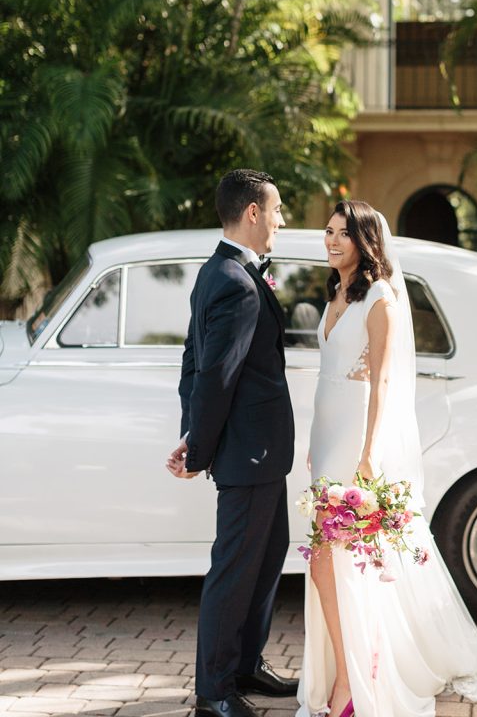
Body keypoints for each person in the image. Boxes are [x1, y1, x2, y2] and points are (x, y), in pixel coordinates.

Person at [297, 200, 477, 717]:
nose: (332, 240)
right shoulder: (335, 294)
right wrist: (314, 442)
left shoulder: (381, 299)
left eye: (344, 233)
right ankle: (343, 673)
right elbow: (330, 378)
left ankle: (353, 682)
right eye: (329, 231)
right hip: (328, 440)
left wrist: (369, 454)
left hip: (358, 443)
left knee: (343, 564)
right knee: (327, 564)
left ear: (365, 242)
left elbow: (383, 382)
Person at [166, 169, 299, 717]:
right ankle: (215, 692)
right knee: (235, 569)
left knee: (266, 558)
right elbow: (214, 376)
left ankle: (245, 664)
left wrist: (192, 433)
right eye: (277, 210)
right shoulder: (236, 282)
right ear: (253, 213)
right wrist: (198, 449)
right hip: (249, 452)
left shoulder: (216, 271)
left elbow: (192, 359)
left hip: (260, 452)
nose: (281, 221)